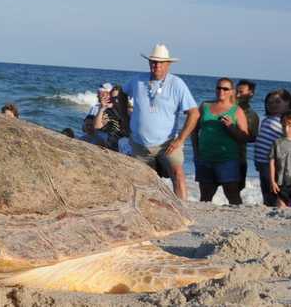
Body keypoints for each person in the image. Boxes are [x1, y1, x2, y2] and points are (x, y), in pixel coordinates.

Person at [120, 43, 199, 200]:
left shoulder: (177, 84)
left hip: (167, 144)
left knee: (178, 174)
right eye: (153, 62)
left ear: (168, 64)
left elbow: (194, 113)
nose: (156, 65)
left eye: (161, 62)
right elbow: (122, 94)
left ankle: (183, 208)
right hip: (140, 144)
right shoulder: (137, 80)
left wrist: (180, 139)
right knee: (143, 182)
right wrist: (124, 119)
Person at [193, 77, 249, 205]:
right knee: (205, 197)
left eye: (225, 88)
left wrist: (231, 127)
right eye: (218, 88)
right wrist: (196, 152)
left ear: (232, 91)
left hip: (227, 160)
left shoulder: (237, 110)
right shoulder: (205, 106)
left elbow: (244, 137)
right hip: (205, 158)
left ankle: (237, 216)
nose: (221, 91)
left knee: (232, 196)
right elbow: (194, 130)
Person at [252, 90, 290, 206]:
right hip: (262, 162)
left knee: (275, 190)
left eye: (277, 102)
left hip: (274, 164)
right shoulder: (267, 119)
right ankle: (269, 206)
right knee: (265, 189)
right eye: (269, 102)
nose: (273, 105)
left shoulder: (285, 121)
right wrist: (257, 161)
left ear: (287, 103)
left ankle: (280, 206)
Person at [235, 80, 261, 192]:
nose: (237, 95)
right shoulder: (226, 108)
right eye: (236, 91)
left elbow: (252, 137)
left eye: (241, 92)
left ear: (250, 94)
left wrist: (234, 130)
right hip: (218, 155)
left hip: (238, 157)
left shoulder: (252, 115)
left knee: (236, 190)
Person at [90, 85, 129, 149]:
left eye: (117, 97)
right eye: (113, 98)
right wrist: (101, 109)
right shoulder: (108, 110)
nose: (115, 100)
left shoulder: (130, 110)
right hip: (112, 143)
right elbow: (97, 126)